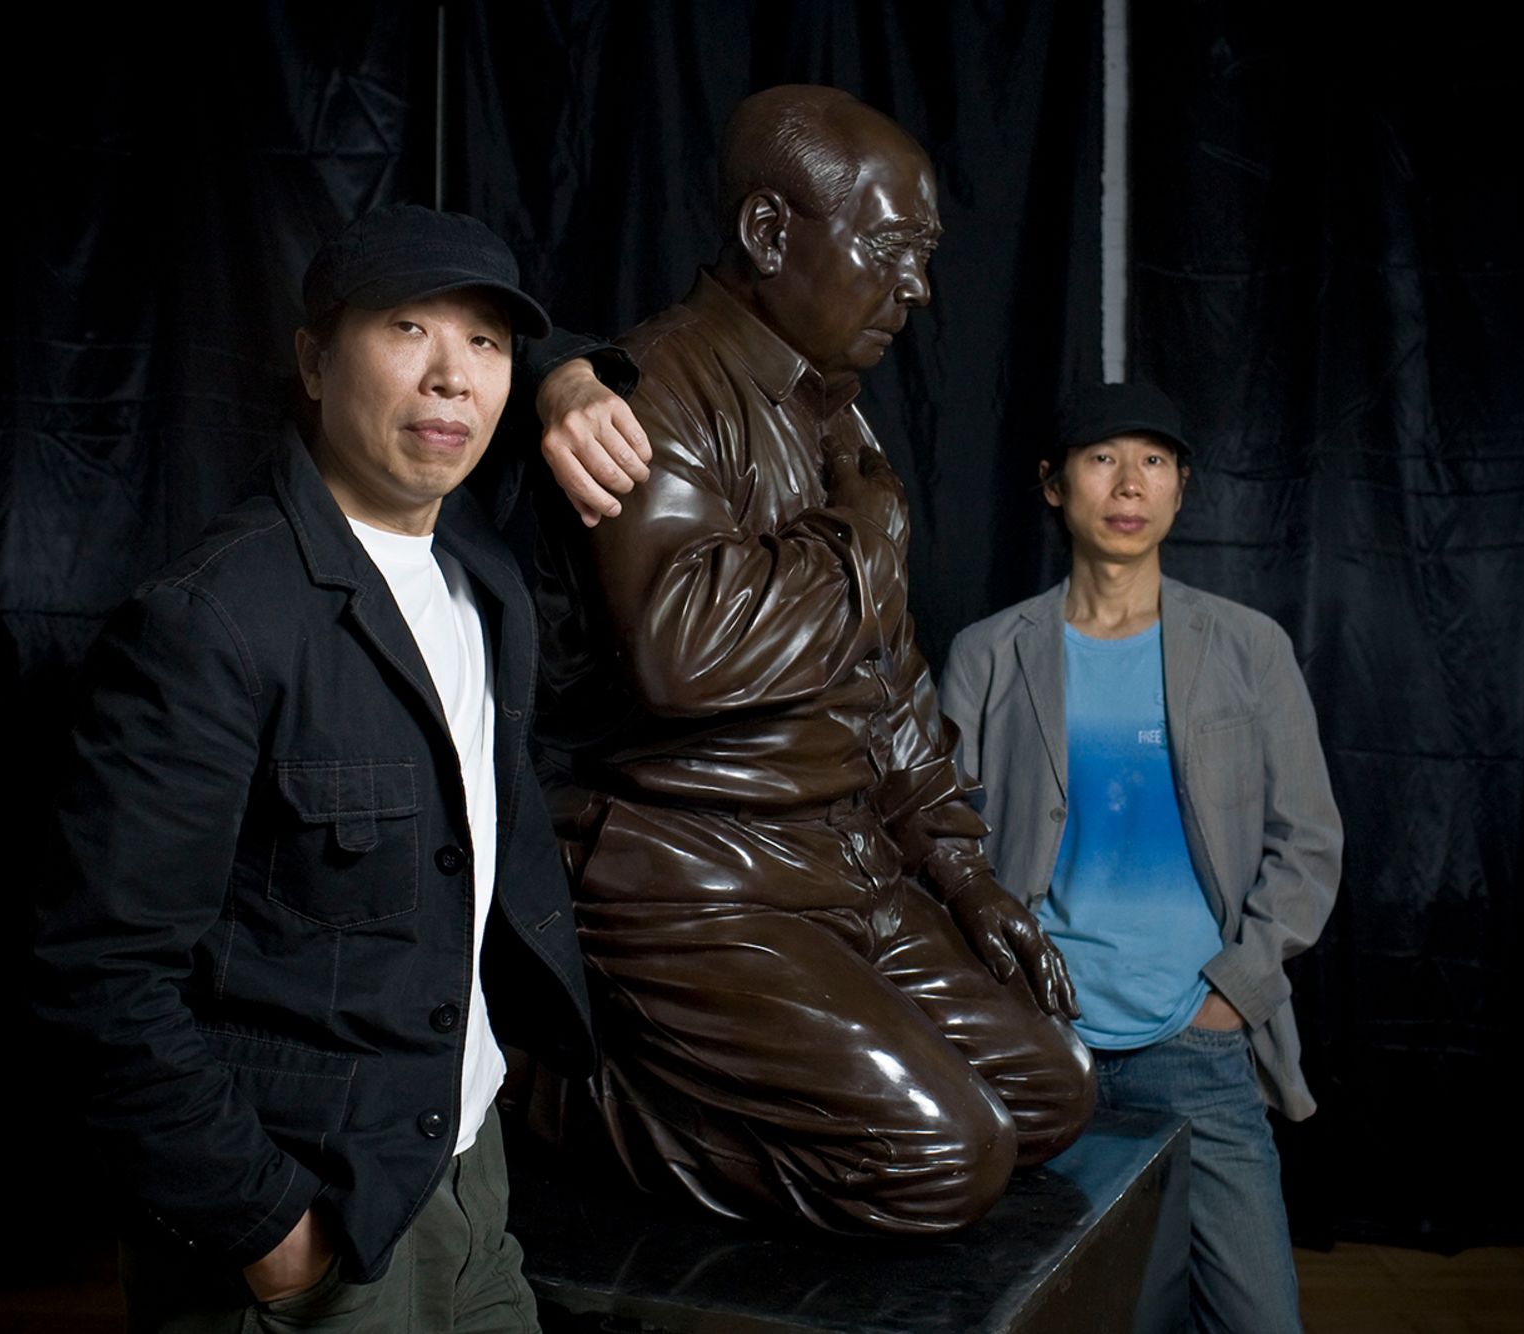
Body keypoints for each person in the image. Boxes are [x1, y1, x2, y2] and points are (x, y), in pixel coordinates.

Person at [34, 203, 627, 1333]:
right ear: (312, 360)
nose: (453, 379)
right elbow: (97, 977)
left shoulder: (480, 567)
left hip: (465, 1163)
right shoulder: (211, 619)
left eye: (486, 345)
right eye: (407, 330)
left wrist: (560, 375)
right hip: (312, 1216)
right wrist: (272, 1233)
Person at [534, 85, 1095, 1236]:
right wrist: (864, 533)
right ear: (769, 232)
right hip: (700, 878)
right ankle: (559, 1095)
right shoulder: (654, 387)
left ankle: (785, 1082)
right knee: (949, 1159)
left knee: (1052, 1094)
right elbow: (683, 655)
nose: (917, 289)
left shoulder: (839, 414)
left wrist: (962, 875)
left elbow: (885, 684)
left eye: (926, 256)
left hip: (843, 866)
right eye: (890, 249)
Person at [939, 381, 1342, 1332]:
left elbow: (1308, 839)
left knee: (1256, 1319)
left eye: (1154, 462)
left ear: (1180, 487)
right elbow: (943, 845)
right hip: (1044, 1043)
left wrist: (1231, 993)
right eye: (1101, 459)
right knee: (1079, 1311)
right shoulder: (990, 655)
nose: (1129, 484)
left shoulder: (1247, 647)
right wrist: (1004, 1000)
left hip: (1195, 1042)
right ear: (1053, 485)